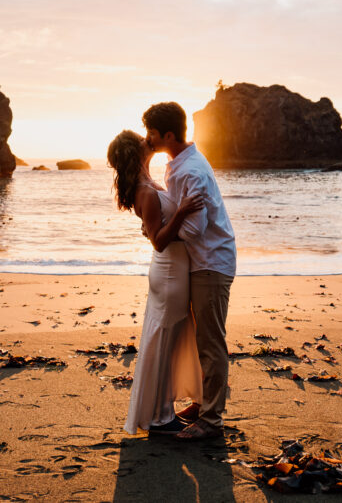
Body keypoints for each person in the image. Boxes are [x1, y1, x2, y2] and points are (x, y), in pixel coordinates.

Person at [143, 102, 237, 441]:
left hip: (211, 262)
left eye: (151, 133)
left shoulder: (189, 171)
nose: (148, 139)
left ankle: (212, 421)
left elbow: (195, 229)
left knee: (211, 342)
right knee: (201, 340)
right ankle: (204, 403)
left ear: (168, 134)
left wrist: (165, 227)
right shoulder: (180, 164)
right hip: (201, 262)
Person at [108, 130, 205, 435]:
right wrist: (184, 212)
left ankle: (163, 410)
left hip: (174, 269)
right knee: (164, 340)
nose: (147, 142)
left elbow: (154, 231)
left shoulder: (147, 184)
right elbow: (159, 242)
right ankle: (161, 418)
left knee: (170, 339)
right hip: (168, 271)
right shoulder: (145, 191)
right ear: (134, 154)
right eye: (142, 142)